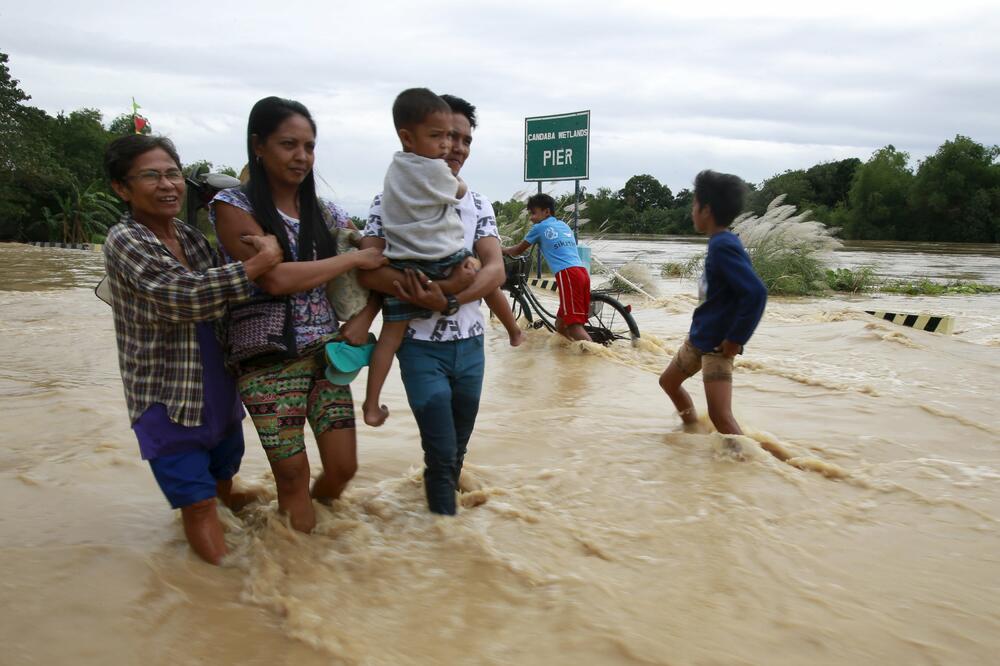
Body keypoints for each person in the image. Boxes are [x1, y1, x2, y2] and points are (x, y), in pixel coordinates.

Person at [102, 134, 284, 564]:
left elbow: (231, 295)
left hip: (219, 387)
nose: (167, 185)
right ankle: (227, 586)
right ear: (122, 188)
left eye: (173, 174)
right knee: (198, 503)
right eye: (151, 176)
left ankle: (218, 563)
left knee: (222, 479)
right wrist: (260, 262)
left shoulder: (190, 236)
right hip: (166, 397)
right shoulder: (125, 240)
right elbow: (184, 296)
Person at [210, 96, 387, 533]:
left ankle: (312, 538)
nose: (302, 156)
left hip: (327, 357)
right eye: (288, 144)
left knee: (343, 468)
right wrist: (351, 259)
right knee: (291, 477)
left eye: (309, 147)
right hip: (266, 359)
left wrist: (365, 315)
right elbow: (273, 279)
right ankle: (296, 562)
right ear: (259, 146)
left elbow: (376, 264)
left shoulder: (327, 212)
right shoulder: (232, 206)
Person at [358, 93, 506, 515]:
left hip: (471, 344)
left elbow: (495, 271)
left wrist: (447, 298)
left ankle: (442, 530)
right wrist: (438, 289)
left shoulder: (477, 203)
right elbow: (368, 272)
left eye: (464, 140)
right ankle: (447, 533)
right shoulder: (389, 199)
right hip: (419, 347)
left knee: (456, 448)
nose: (454, 147)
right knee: (440, 451)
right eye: (447, 136)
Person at [657, 169, 767, 435]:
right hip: (699, 339)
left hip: (717, 347)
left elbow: (756, 293)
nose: (691, 211)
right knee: (668, 382)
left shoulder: (723, 246)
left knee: (721, 417)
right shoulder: (720, 242)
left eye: (694, 204)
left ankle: (746, 457)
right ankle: (691, 431)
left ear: (706, 210)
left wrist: (735, 339)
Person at [502, 193, 593, 342]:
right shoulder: (563, 225)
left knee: (574, 327)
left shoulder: (539, 228)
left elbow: (516, 250)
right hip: (582, 272)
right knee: (560, 325)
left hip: (568, 274)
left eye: (533, 213)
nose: (531, 218)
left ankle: (593, 353)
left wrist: (499, 249)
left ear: (546, 212)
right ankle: (570, 352)